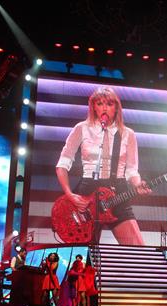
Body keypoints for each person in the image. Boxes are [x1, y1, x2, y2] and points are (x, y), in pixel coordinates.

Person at [55, 86, 151, 245]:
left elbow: (132, 170)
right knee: (84, 255)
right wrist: (70, 195)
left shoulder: (128, 134)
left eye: (109, 104)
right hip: (87, 191)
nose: (104, 108)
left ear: (116, 108)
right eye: (99, 104)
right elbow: (62, 164)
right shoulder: (82, 128)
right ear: (93, 107)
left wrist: (138, 183)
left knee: (138, 250)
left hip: (118, 191)